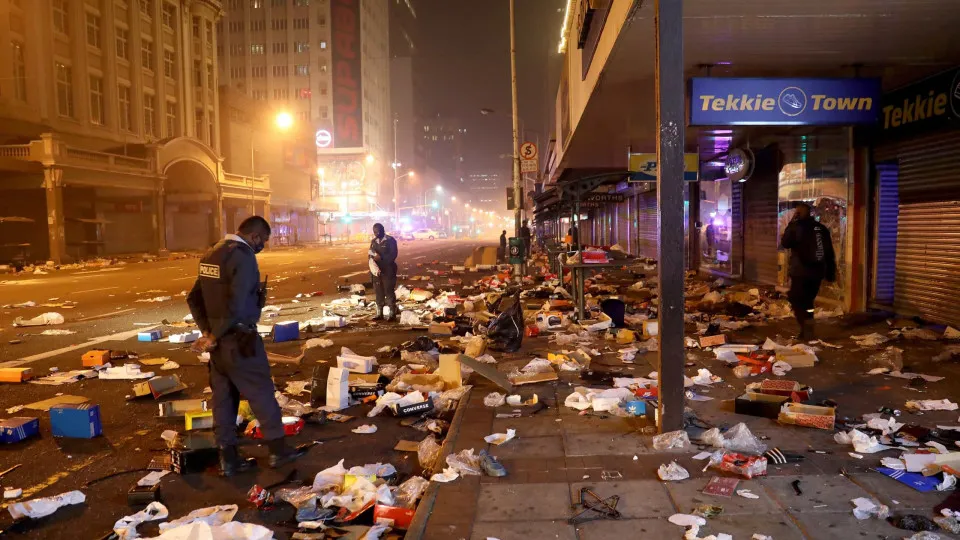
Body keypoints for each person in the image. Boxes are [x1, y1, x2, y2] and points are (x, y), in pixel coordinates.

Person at [187, 216, 307, 476]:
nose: (262, 245)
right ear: (254, 236)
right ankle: (277, 451)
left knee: (224, 401)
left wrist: (207, 332)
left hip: (218, 349)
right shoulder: (243, 256)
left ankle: (228, 459)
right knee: (262, 394)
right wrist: (214, 334)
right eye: (263, 241)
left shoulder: (211, 254)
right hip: (240, 341)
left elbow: (193, 297)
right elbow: (239, 304)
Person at [779, 202, 836, 340]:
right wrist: (830, 272)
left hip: (801, 272)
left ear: (798, 213)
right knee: (808, 301)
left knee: (795, 298)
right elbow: (829, 252)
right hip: (817, 272)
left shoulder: (796, 227)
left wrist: (792, 223)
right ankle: (808, 327)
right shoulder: (821, 228)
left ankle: (806, 327)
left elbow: (785, 243)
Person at [369, 223, 398, 321]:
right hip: (377, 271)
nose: (376, 234)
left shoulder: (390, 240)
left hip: (388, 270)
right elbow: (370, 253)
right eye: (374, 232)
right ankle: (379, 313)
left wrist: (381, 258)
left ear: (382, 230)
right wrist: (373, 259)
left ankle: (392, 313)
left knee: (389, 291)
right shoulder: (373, 242)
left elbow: (393, 254)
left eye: (378, 231)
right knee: (378, 291)